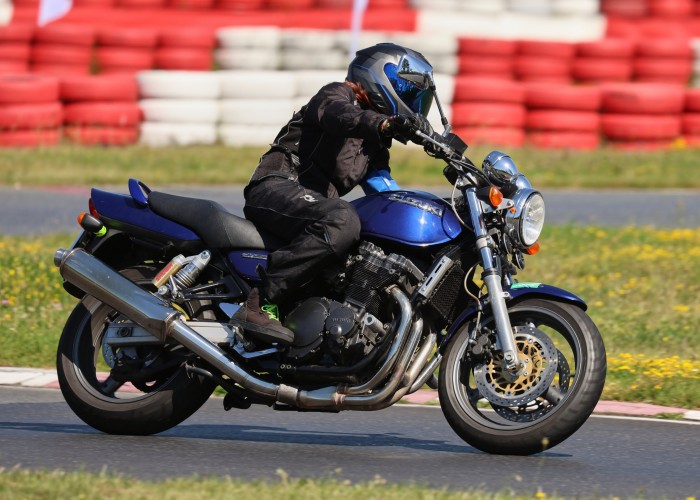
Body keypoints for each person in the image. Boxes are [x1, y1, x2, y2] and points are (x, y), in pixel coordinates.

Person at [231, 43, 435, 345]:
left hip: (313, 207)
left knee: (375, 240)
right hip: (277, 186)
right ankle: (258, 302)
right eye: (407, 92)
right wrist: (382, 123)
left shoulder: (374, 146)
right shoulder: (337, 95)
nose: (413, 102)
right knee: (343, 219)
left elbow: (384, 190)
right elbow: (338, 116)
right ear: (381, 77)